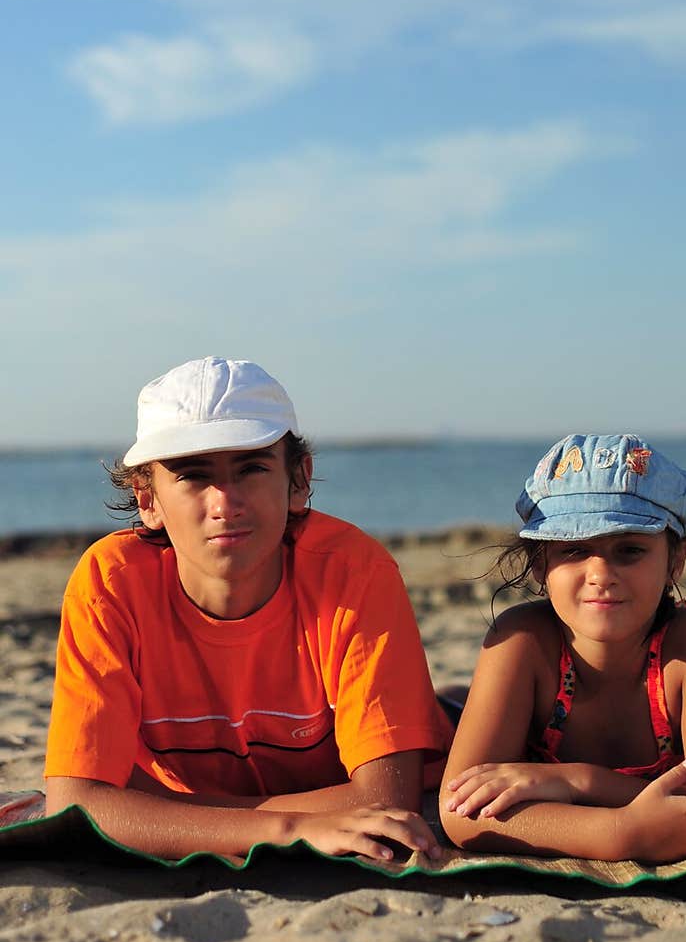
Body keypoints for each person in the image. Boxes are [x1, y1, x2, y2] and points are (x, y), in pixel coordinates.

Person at [44, 356, 454, 863]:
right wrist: (288, 828)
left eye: (251, 469)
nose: (224, 502)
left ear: (298, 479)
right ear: (147, 499)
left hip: (437, 756)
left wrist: (165, 811)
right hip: (292, 803)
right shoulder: (110, 583)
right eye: (193, 476)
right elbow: (76, 808)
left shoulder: (354, 572)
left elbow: (383, 800)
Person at [440, 433, 686, 864]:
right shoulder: (522, 641)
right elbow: (458, 813)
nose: (601, 574)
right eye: (574, 549)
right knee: (442, 713)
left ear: (675, 560)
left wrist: (574, 782)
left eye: (629, 550)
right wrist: (621, 833)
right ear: (539, 564)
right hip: (462, 718)